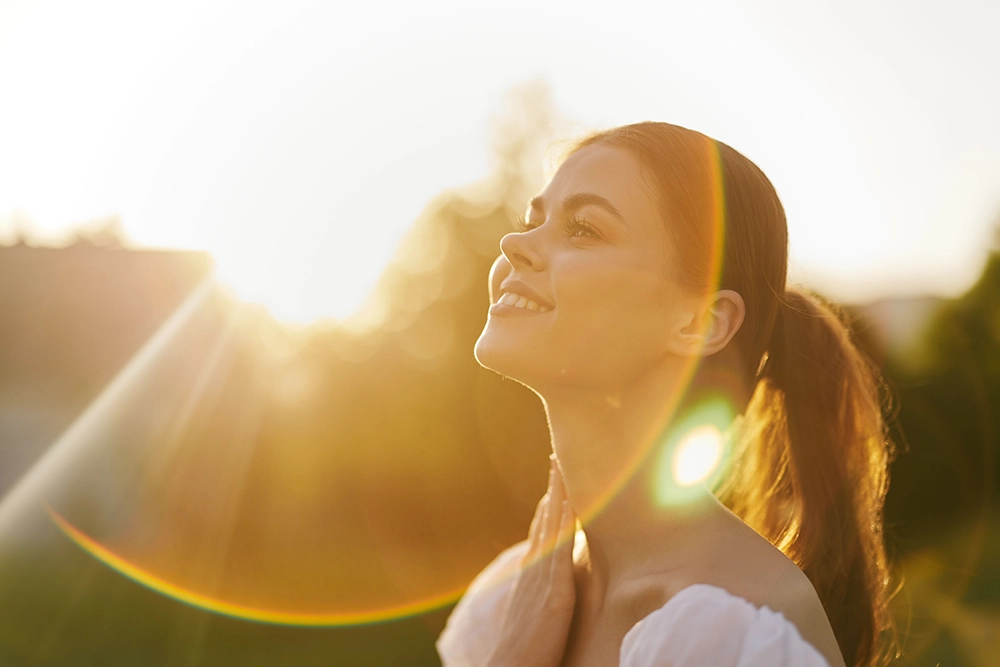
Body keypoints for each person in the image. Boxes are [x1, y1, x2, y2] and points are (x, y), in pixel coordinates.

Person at [436, 122, 896, 667]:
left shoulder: (732, 637)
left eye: (583, 228)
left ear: (700, 321)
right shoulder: (511, 602)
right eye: (532, 220)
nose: (514, 243)